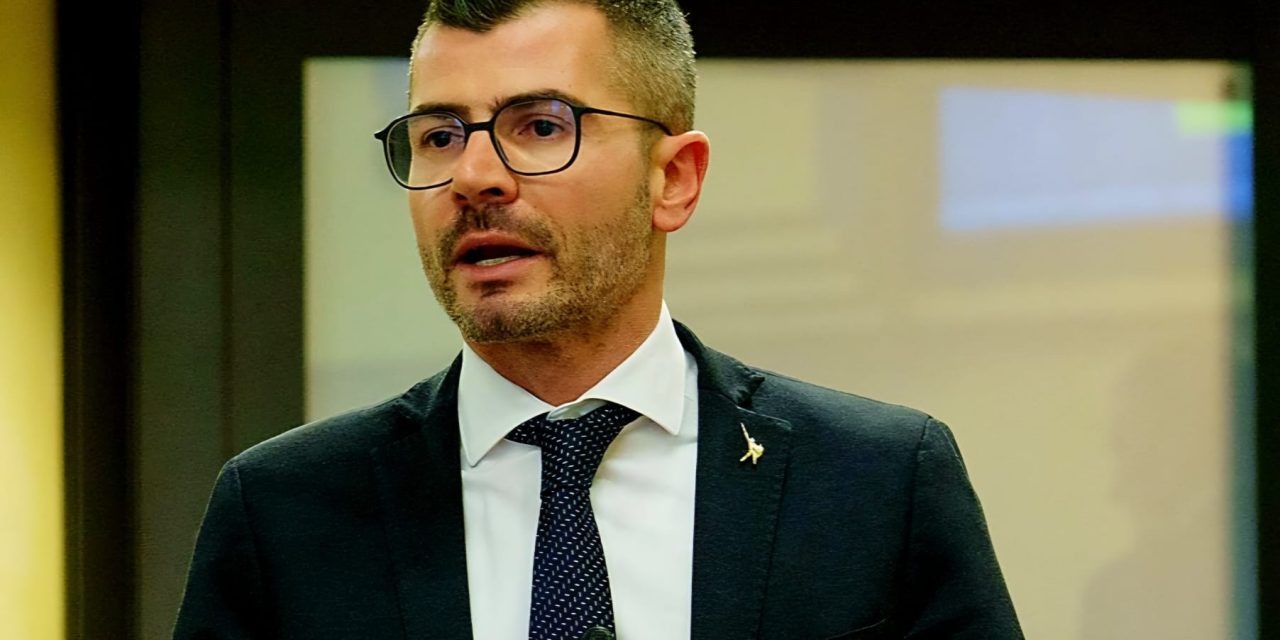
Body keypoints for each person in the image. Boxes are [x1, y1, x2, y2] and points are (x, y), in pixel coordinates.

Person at [174, 0, 1023, 638]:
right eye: (438, 136)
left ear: (674, 180)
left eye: (541, 126)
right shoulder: (286, 511)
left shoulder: (877, 483)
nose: (474, 176)